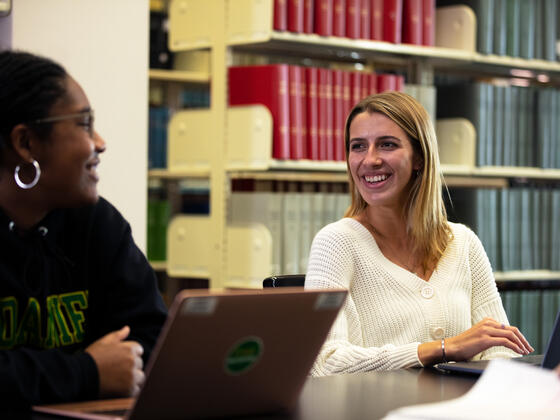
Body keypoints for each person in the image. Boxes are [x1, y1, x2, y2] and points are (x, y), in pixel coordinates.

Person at [305, 91, 533, 376]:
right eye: (358, 146)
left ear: (419, 158)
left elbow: (500, 349)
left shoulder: (463, 243)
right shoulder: (336, 243)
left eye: (387, 145)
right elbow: (324, 362)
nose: (370, 160)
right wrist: (441, 348)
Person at [0, 50, 167, 406]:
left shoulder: (98, 223)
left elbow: (154, 338)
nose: (100, 143)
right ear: (25, 143)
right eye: (84, 124)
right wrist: (86, 372)